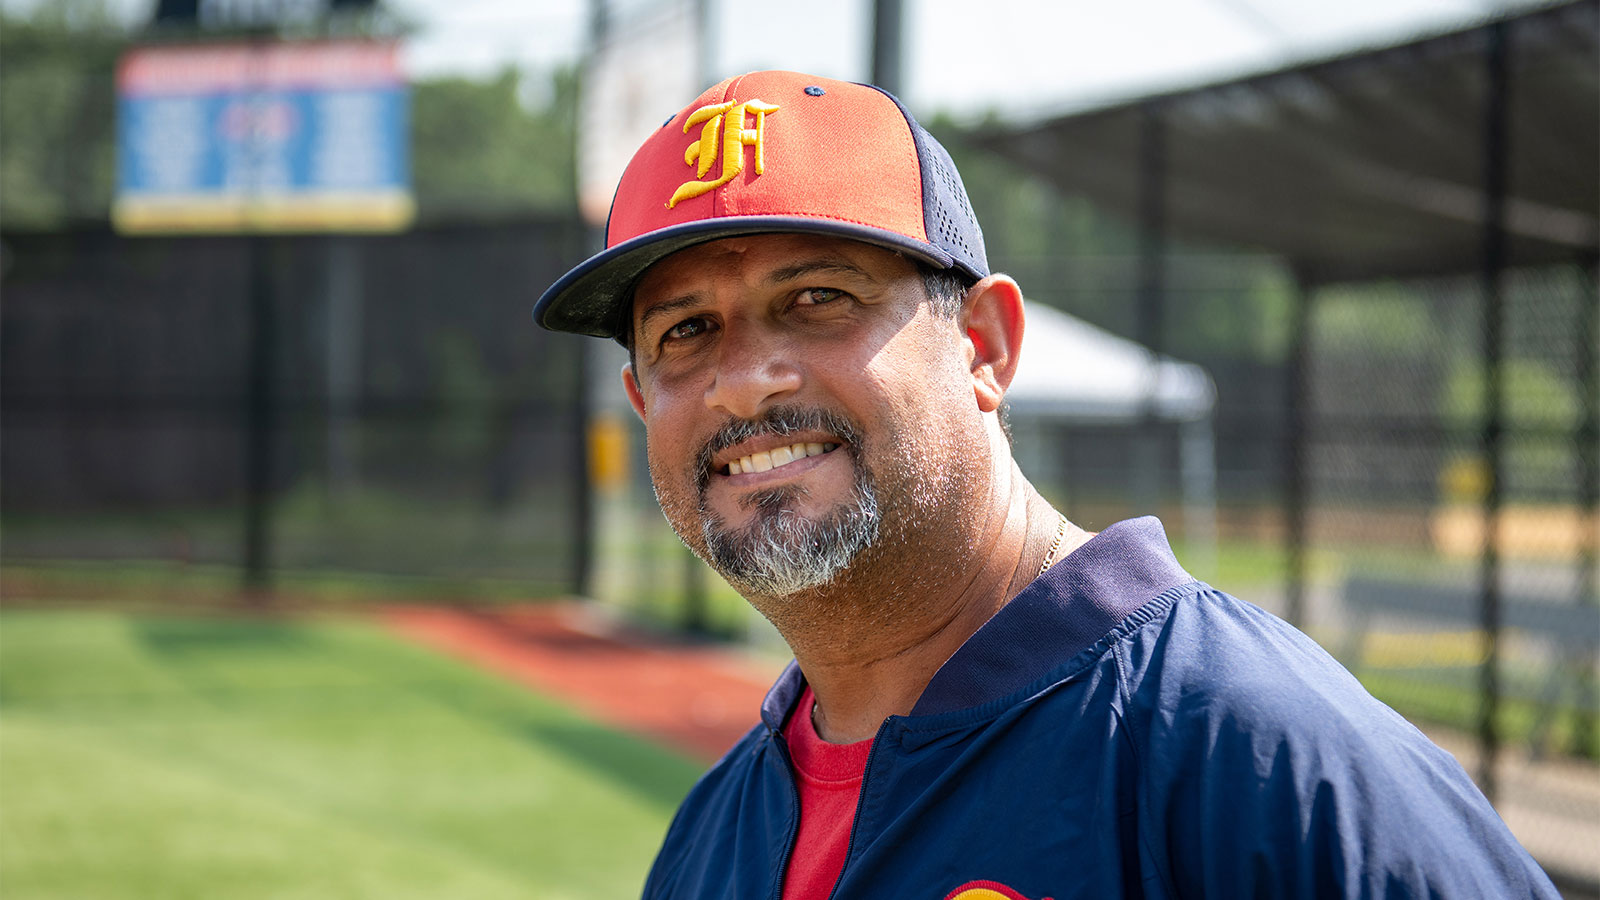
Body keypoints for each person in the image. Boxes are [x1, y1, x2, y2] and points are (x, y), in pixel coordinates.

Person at [534, 71, 1557, 900]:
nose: (746, 376)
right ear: (640, 401)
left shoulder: (1246, 752)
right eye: (686, 330)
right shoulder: (716, 833)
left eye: (815, 298)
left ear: (983, 345)